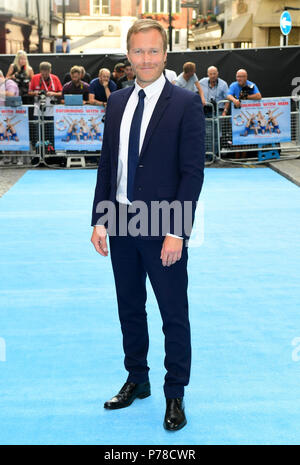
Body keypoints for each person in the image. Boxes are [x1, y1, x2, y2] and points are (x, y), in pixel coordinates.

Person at [90, 19, 205, 431]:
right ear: (128, 55)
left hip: (162, 226)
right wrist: (100, 218)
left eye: (153, 51)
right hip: (120, 222)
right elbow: (108, 165)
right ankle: (137, 379)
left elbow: (192, 173)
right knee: (129, 309)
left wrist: (176, 230)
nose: (146, 59)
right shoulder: (117, 101)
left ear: (165, 54)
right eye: (138, 51)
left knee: (173, 313)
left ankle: (175, 393)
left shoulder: (186, 103)